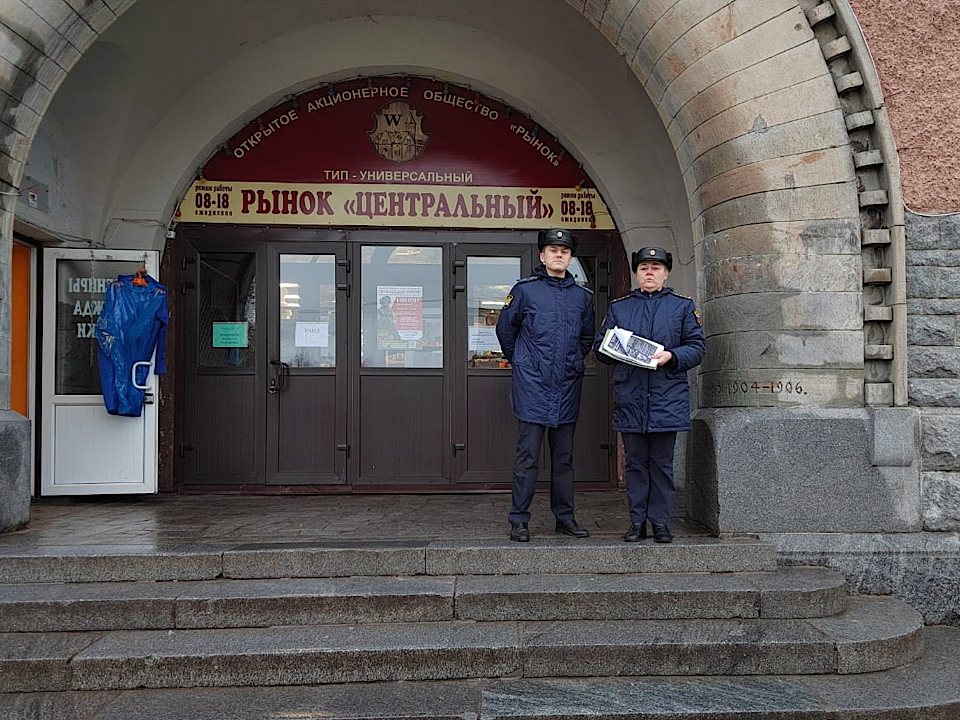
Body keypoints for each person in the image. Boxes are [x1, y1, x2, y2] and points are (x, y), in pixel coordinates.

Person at [594, 247, 705, 543]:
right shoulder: (620, 308)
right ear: (636, 273)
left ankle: (660, 523)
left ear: (666, 273)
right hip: (631, 399)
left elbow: (697, 347)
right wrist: (609, 348)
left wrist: (672, 355)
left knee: (662, 465)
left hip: (667, 398)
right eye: (644, 267)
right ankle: (636, 522)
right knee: (635, 464)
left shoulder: (682, 307)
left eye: (656, 267)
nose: (650, 272)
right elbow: (600, 347)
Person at [496, 228, 595, 542]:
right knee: (528, 458)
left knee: (564, 459)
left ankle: (564, 518)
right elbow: (505, 331)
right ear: (542, 255)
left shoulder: (583, 296)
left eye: (564, 251)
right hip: (533, 388)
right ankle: (519, 520)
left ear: (570, 257)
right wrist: (523, 363)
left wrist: (574, 362)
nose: (559, 255)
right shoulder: (525, 290)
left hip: (567, 387)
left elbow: (587, 337)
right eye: (553, 250)